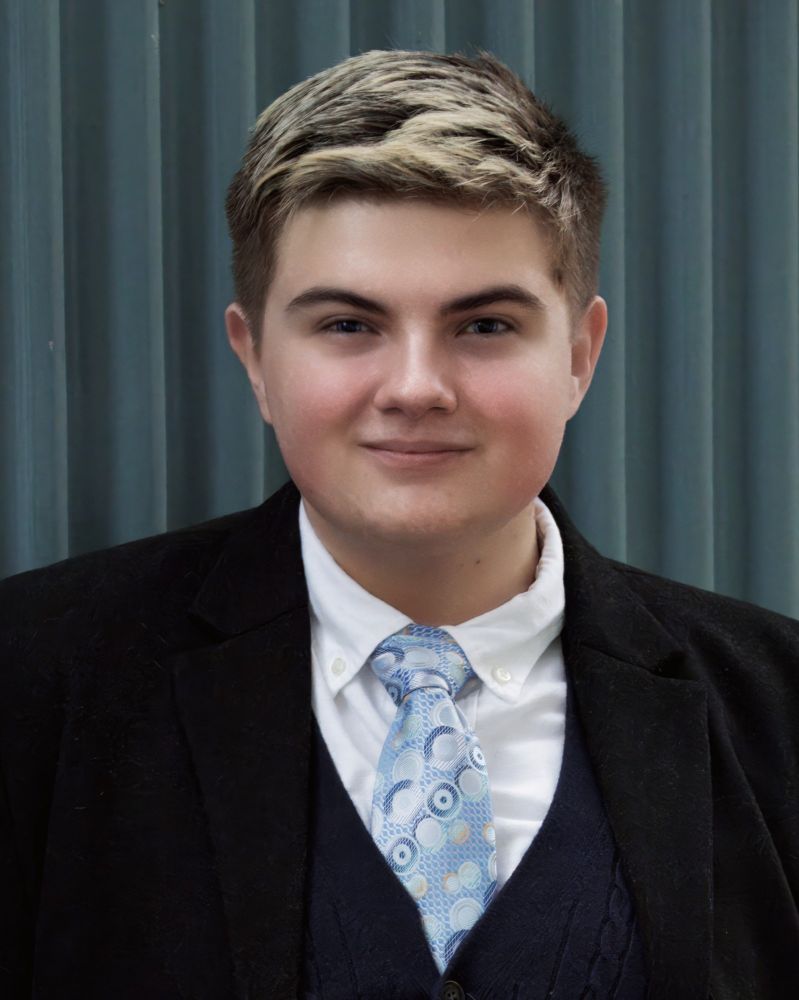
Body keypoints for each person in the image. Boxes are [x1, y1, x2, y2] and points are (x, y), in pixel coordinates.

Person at [1, 49, 797, 1000]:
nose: (415, 388)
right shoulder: (30, 682)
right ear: (254, 356)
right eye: (347, 325)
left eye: (485, 325)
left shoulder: (778, 708)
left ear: (579, 356)